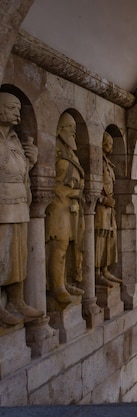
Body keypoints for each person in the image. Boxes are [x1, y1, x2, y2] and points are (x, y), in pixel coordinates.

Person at [0, 92, 44, 325]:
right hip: (2, 204)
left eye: (19, 108)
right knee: (1, 256)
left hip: (18, 204)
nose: (18, 112)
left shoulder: (15, 138)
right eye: (12, 107)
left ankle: (16, 300)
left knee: (18, 255)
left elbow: (18, 170)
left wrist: (31, 161)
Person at [45, 113, 85, 304]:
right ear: (60, 129)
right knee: (58, 245)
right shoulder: (54, 152)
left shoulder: (71, 154)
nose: (74, 132)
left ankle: (65, 281)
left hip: (73, 208)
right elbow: (46, 183)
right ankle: (56, 286)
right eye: (69, 127)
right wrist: (69, 193)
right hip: (58, 206)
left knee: (70, 246)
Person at [95, 132, 122, 287]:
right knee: (99, 239)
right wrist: (104, 200)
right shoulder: (96, 162)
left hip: (109, 209)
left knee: (110, 238)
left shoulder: (108, 164)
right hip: (100, 209)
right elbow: (90, 189)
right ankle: (97, 273)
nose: (110, 147)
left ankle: (105, 270)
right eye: (108, 143)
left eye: (112, 144)